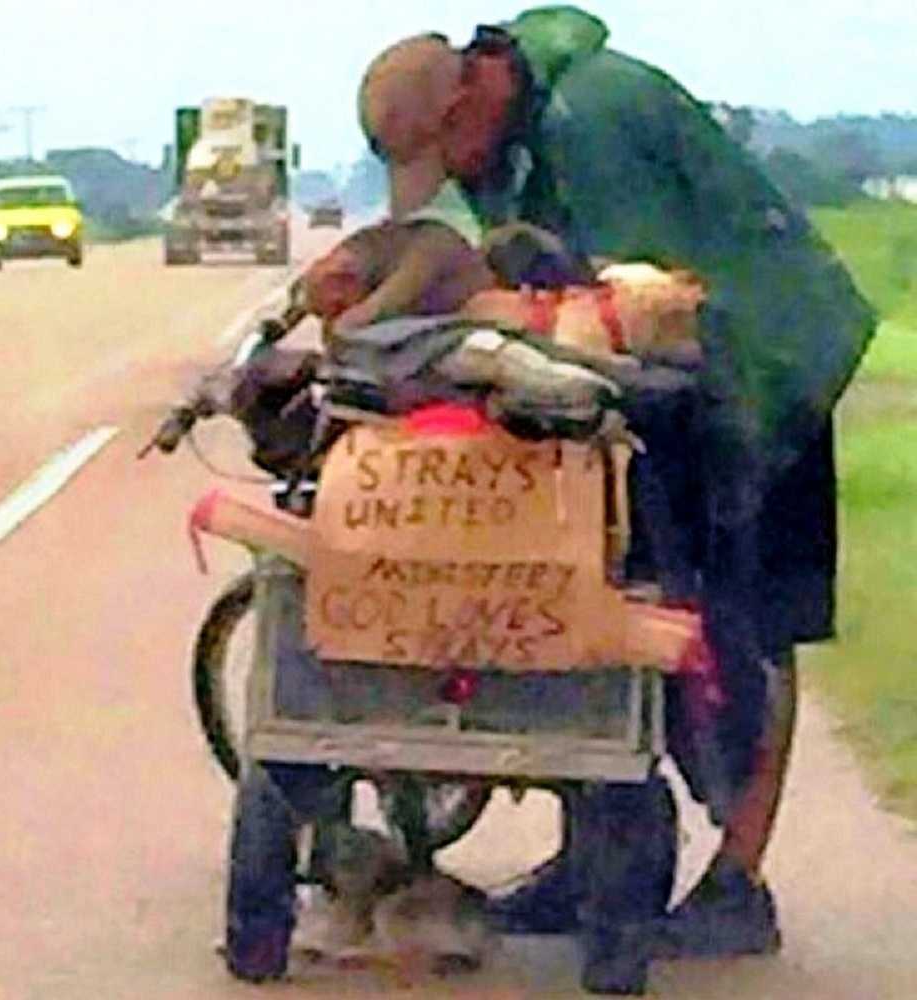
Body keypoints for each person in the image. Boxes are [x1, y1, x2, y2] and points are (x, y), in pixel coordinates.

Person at [357, 8, 876, 957]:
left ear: (474, 93)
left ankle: (737, 883)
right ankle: (589, 862)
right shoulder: (516, 138)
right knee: (597, 579)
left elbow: (630, 296)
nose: (458, 179)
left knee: (751, 616)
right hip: (690, 372)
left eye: (447, 153)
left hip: (770, 366)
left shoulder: (595, 116)